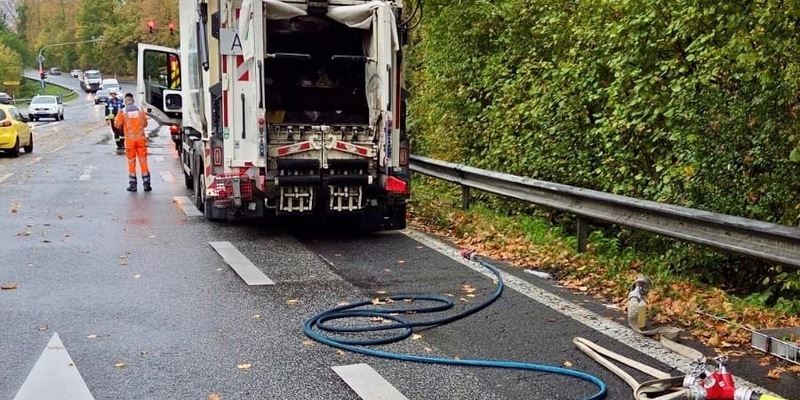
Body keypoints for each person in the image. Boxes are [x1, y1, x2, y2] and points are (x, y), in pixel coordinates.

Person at [114, 93, 151, 192]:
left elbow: (117, 124)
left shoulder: (123, 111)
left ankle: (133, 185)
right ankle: (146, 184)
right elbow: (145, 124)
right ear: (133, 100)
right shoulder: (140, 111)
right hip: (140, 140)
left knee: (131, 162)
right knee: (143, 161)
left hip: (130, 141)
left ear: (125, 101)